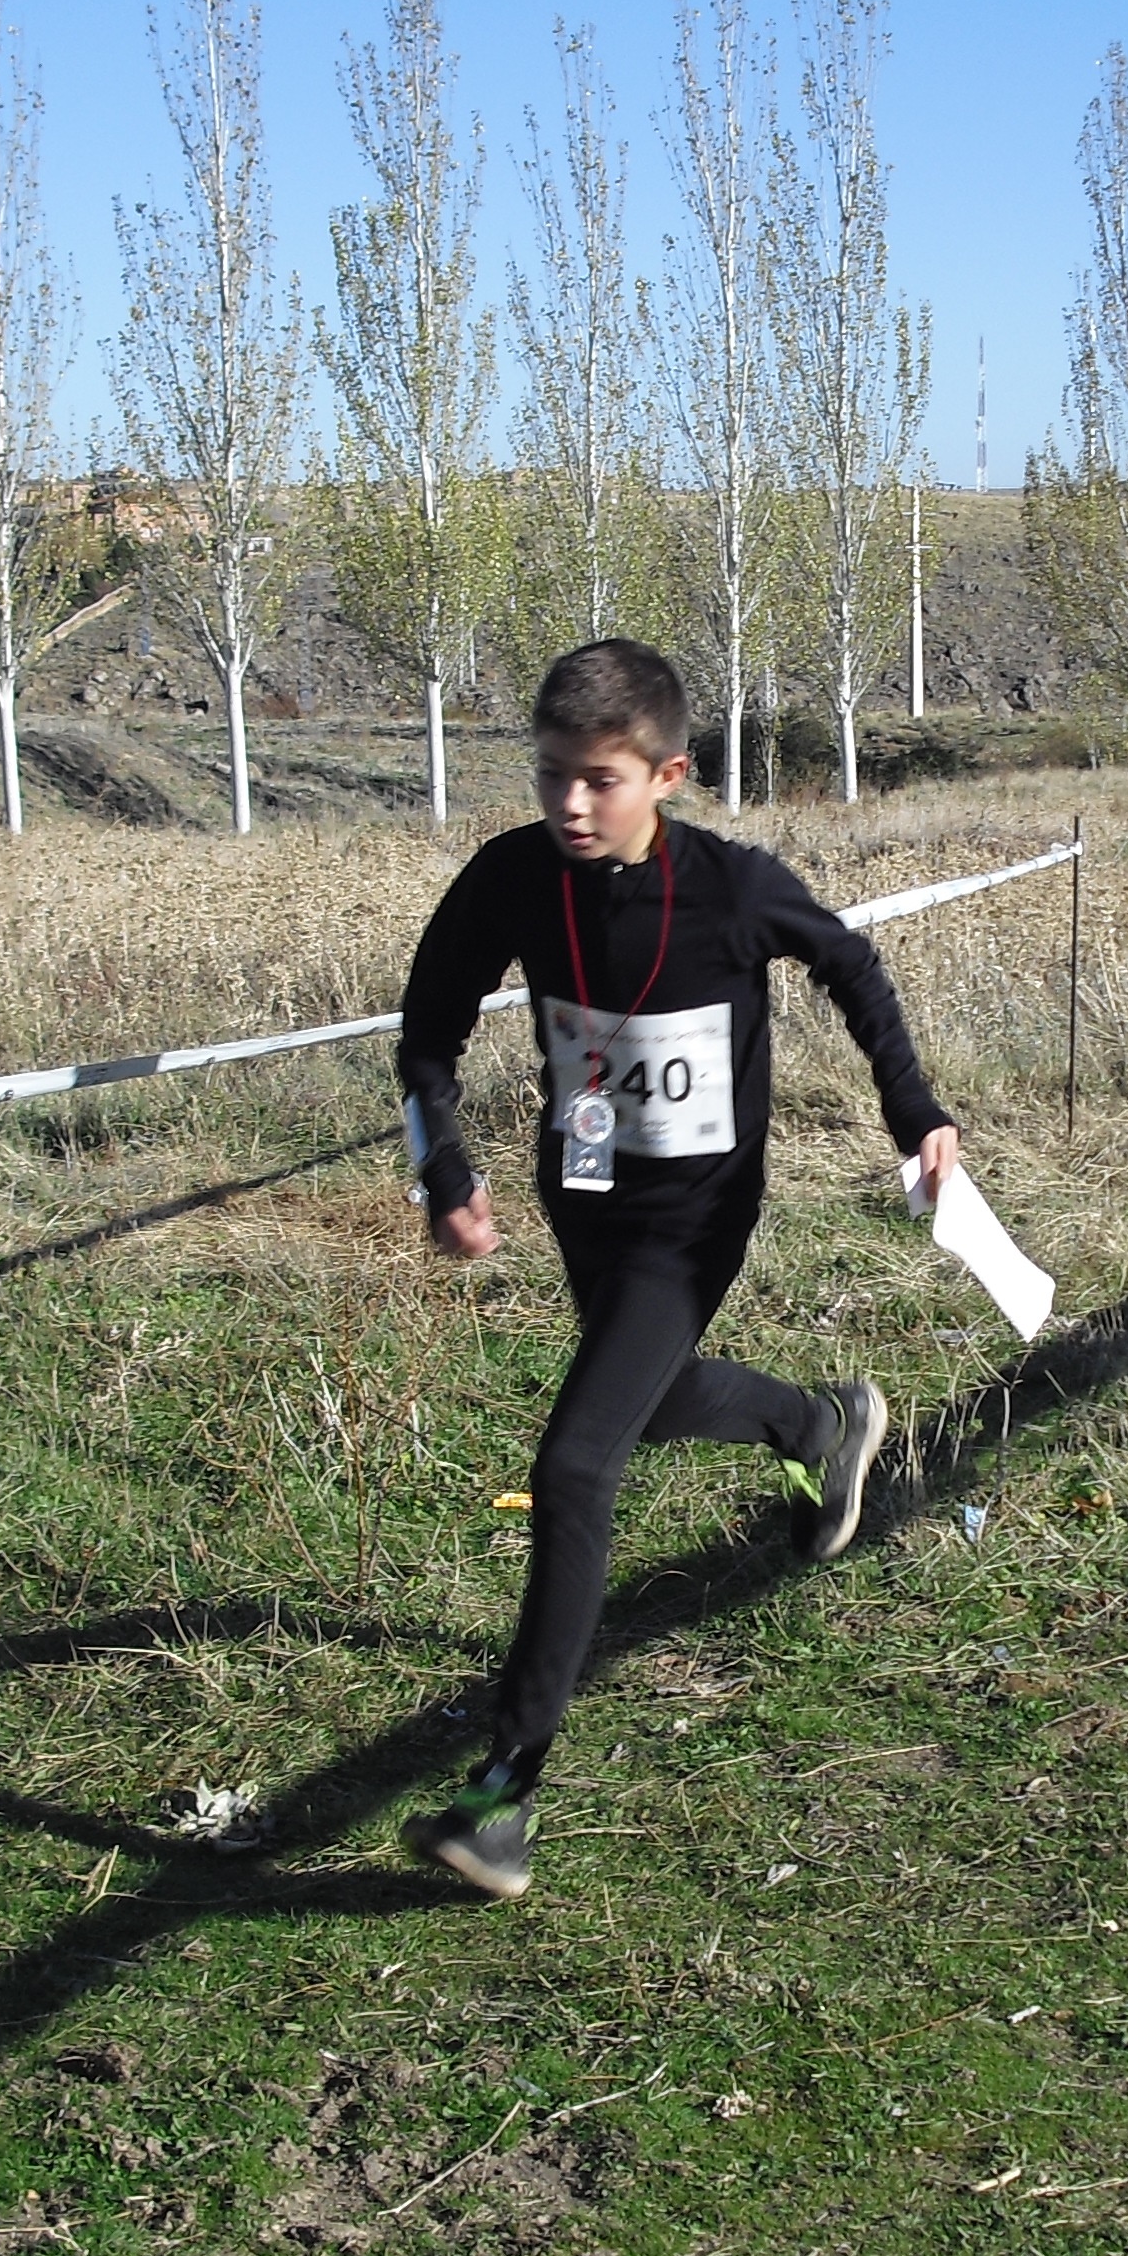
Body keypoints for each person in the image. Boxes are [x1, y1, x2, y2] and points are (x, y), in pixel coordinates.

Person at [392, 639, 964, 1900]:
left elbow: (853, 967)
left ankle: (504, 1793)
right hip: (582, 1196)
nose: (569, 807)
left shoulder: (734, 889)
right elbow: (425, 1034)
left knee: (576, 1461)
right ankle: (818, 1425)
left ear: (668, 773)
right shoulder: (511, 878)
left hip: (696, 1218)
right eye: (550, 778)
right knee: (645, 1398)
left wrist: (912, 1107)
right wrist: (445, 1169)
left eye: (598, 781)